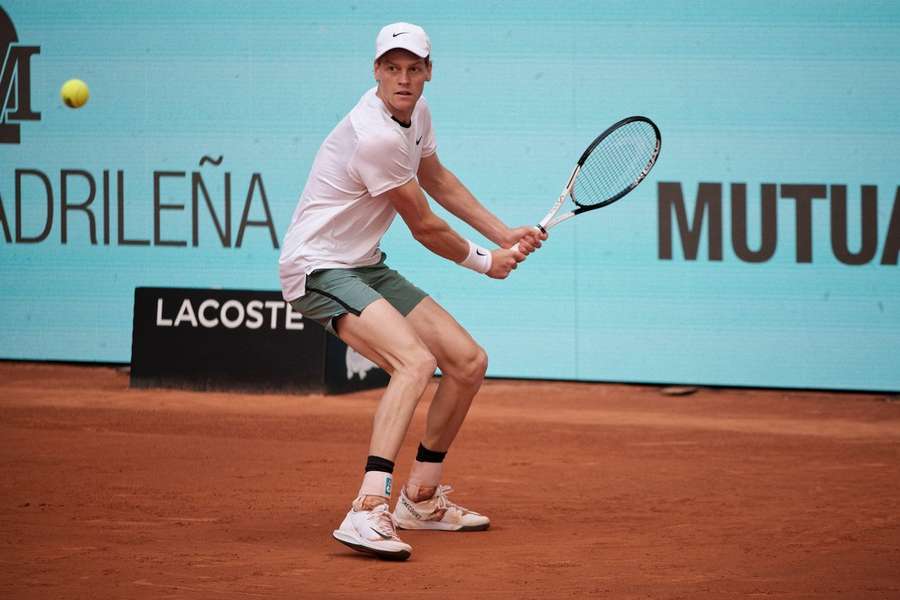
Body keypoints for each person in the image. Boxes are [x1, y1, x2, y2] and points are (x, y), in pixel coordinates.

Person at [279, 22, 545, 561]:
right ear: (376, 71)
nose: (402, 78)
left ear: (428, 72)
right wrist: (484, 261)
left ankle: (419, 499)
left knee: (467, 361)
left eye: (413, 68)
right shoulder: (373, 135)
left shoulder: (415, 114)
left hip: (365, 265)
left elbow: (437, 179)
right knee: (414, 362)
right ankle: (366, 508)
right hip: (319, 268)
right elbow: (423, 224)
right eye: (392, 68)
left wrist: (501, 232)